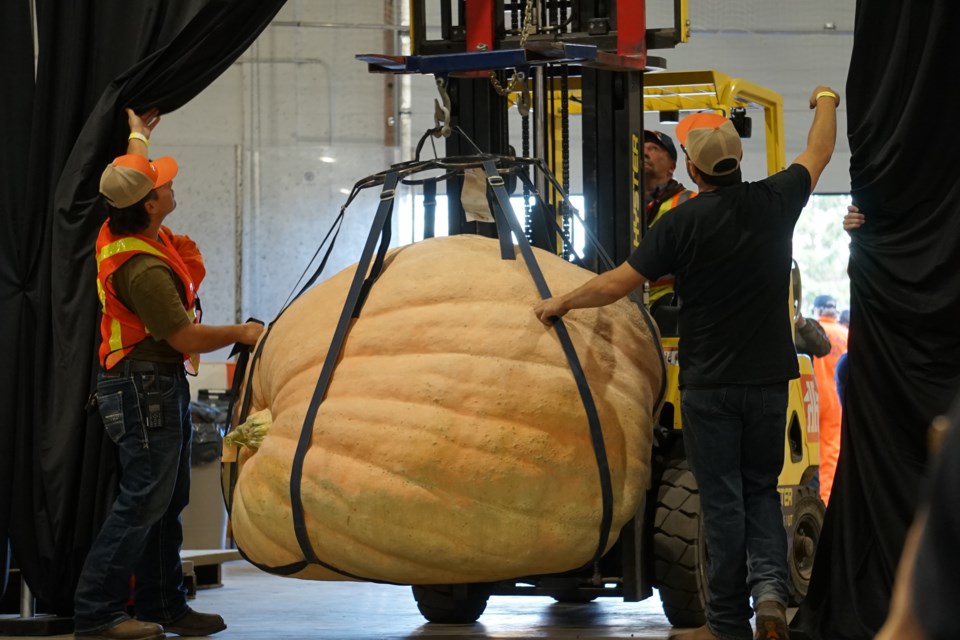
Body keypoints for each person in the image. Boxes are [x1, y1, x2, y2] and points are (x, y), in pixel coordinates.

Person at [534, 85, 839, 640]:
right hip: (769, 381)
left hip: (708, 384)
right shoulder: (775, 200)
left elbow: (617, 284)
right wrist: (823, 102)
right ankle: (771, 593)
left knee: (721, 501)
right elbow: (818, 153)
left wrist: (560, 301)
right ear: (735, 163)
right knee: (761, 491)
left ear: (693, 173)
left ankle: (726, 621)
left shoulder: (679, 224)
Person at [74, 108, 264, 640]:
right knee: (145, 499)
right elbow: (183, 339)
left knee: (165, 498)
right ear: (150, 205)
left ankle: (164, 604)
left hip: (150, 383)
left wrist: (139, 134)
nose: (168, 182)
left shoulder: (123, 217)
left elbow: (130, 171)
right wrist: (240, 334)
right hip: (142, 386)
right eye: (161, 183)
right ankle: (97, 614)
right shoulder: (145, 269)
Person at [643, 130, 697, 311]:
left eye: (653, 148)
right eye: (641, 147)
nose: (644, 152)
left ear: (672, 166)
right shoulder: (618, 206)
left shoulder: (691, 202)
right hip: (626, 301)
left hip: (673, 304)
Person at [811, 294, 848, 506]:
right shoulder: (845, 334)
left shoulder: (813, 329)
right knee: (830, 455)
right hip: (835, 400)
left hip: (811, 398)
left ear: (817, 311)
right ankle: (827, 504)